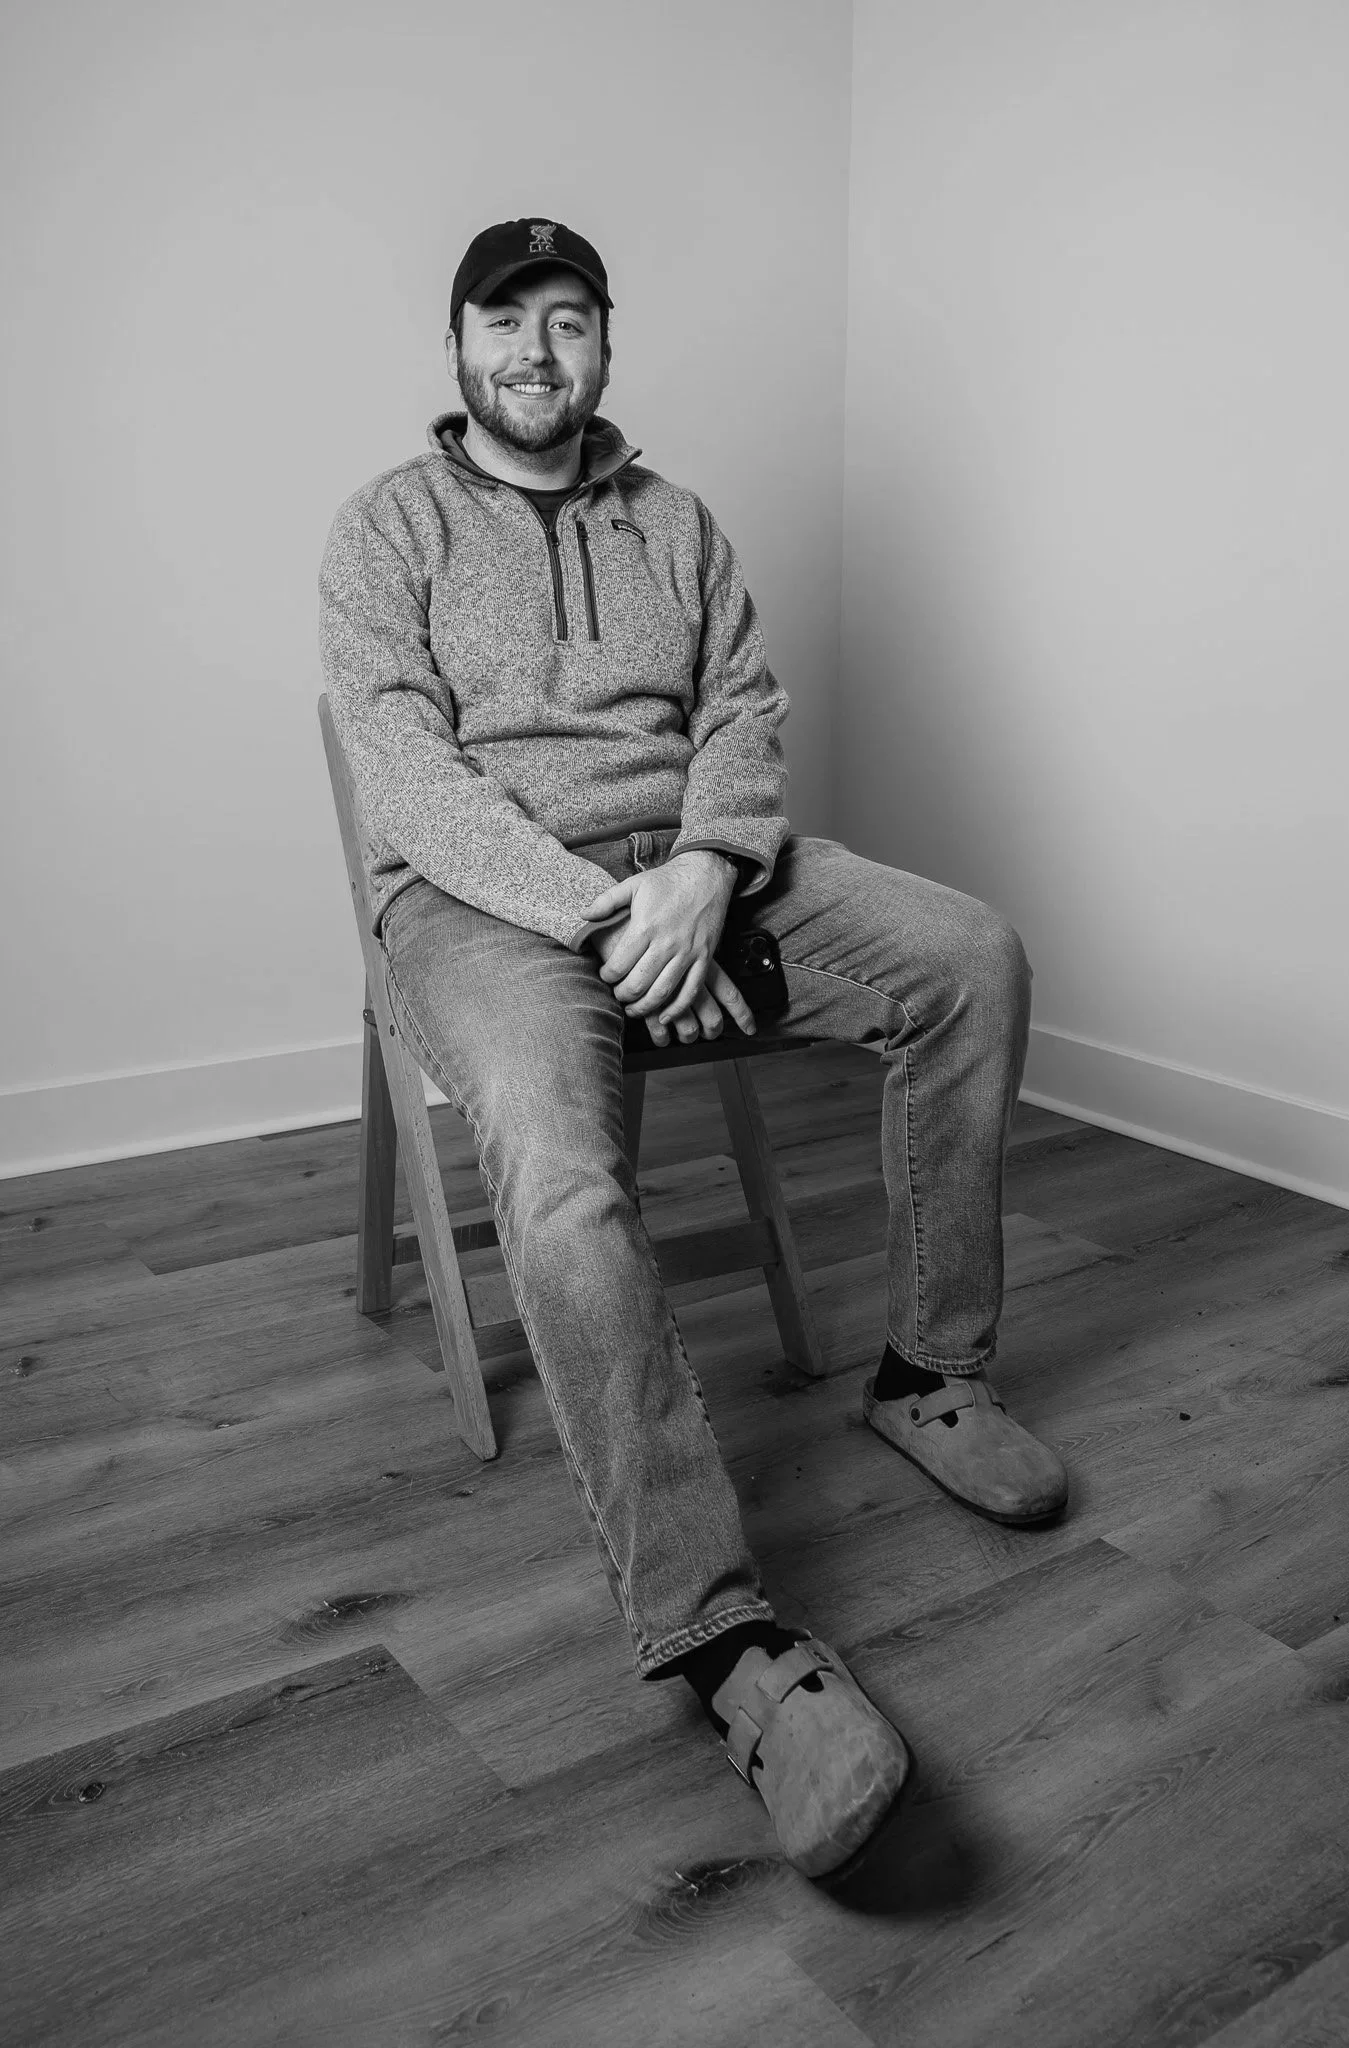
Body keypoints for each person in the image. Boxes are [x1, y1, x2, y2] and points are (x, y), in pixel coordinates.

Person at [320, 216, 1068, 1881]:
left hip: (697, 869)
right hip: (491, 907)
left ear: (605, 345)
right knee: (568, 1184)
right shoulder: (388, 529)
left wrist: (709, 871)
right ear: (455, 348)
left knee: (971, 958)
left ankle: (930, 1377)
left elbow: (743, 710)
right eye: (503, 321)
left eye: (568, 320)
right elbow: (409, 777)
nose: (536, 350)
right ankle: (722, 1640)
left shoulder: (679, 522)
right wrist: (607, 919)